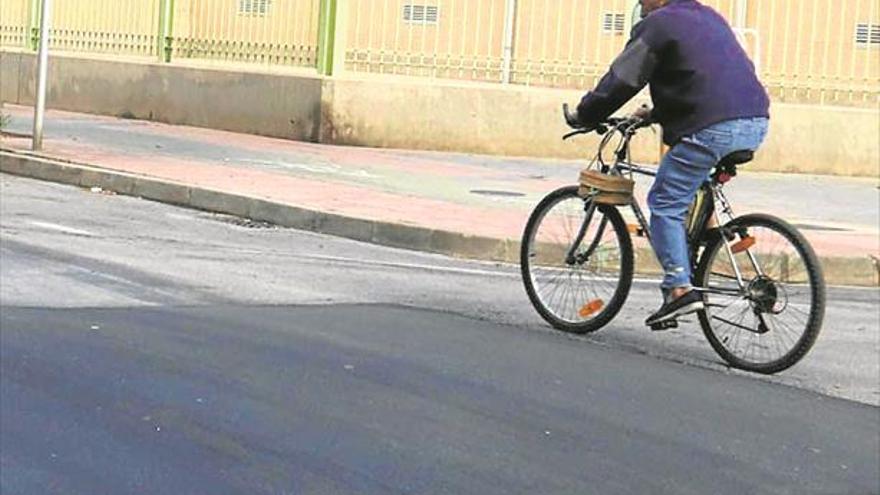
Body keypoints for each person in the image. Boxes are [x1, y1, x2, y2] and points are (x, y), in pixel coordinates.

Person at [568, 0, 770, 327]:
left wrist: (586, 114)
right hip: (754, 120)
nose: (640, 4)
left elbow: (622, 80)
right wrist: (655, 114)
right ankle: (707, 231)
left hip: (712, 126)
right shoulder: (707, 16)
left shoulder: (658, 24)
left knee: (664, 202)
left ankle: (678, 289)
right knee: (694, 179)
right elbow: (702, 78)